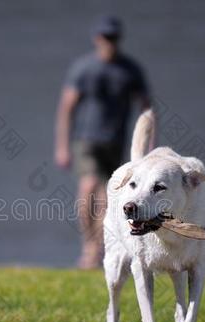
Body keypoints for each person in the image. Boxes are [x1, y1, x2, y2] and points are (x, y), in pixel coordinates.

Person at [55, 15, 152, 269]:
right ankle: (89, 247)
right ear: (97, 39)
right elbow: (67, 107)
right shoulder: (84, 68)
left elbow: (147, 108)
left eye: (113, 38)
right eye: (105, 37)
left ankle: (96, 250)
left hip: (115, 142)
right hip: (86, 140)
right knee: (87, 187)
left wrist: (148, 147)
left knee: (107, 198)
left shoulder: (130, 70)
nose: (109, 42)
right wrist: (62, 147)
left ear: (119, 39)